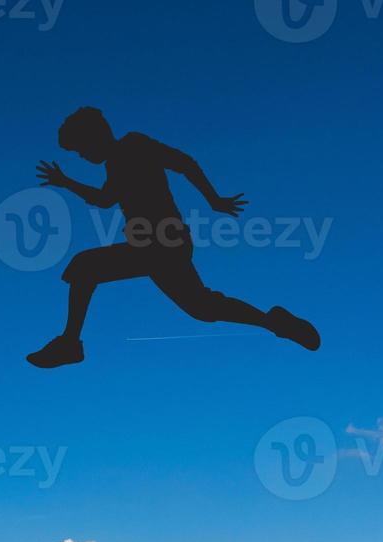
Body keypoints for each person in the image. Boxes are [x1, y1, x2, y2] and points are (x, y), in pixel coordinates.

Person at [27, 107, 321, 369]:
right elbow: (105, 199)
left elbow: (184, 162)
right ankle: (274, 322)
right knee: (203, 307)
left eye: (81, 149)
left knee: (84, 266)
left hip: (162, 242)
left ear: (96, 136)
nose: (83, 156)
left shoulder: (133, 144)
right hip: (155, 247)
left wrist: (213, 199)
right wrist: (66, 182)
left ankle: (70, 343)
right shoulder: (115, 163)